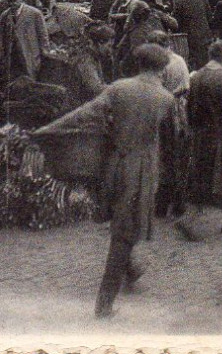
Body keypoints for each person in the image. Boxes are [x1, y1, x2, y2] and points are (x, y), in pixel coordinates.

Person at [34, 43, 174, 318]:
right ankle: (104, 305)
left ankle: (130, 268)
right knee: (124, 233)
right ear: (162, 67)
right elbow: (171, 143)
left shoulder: (119, 88)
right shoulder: (166, 99)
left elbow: (85, 113)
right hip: (142, 168)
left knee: (123, 221)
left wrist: (48, 130)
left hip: (113, 165)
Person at [182, 39, 222, 238]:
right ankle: (188, 222)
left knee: (205, 175)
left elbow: (189, 107)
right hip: (220, 135)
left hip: (201, 133)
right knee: (216, 177)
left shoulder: (198, 75)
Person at [147, 31, 191, 219]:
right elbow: (187, 87)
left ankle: (163, 205)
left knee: (165, 157)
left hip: (166, 112)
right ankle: (178, 203)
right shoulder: (179, 60)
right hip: (181, 110)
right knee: (179, 156)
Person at [0, 0, 52, 86]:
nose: (11, 4)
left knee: (31, 85)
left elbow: (43, 36)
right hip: (12, 59)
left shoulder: (34, 14)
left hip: (30, 56)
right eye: (8, 1)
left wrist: (46, 55)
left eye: (13, 1)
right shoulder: (5, 15)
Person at [171, 0, 213, 71]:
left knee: (193, 65)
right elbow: (209, 17)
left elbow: (177, 24)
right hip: (205, 35)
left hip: (190, 38)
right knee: (205, 63)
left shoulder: (179, 2)